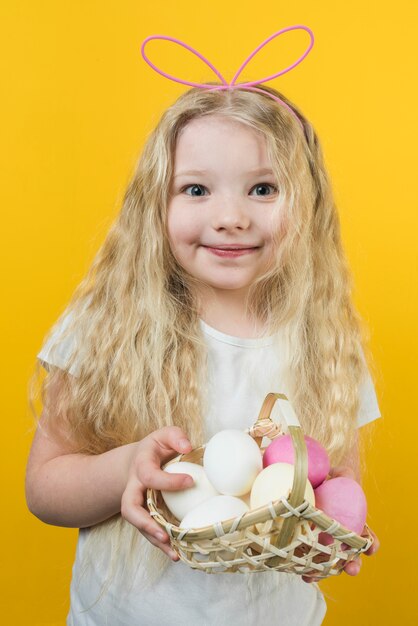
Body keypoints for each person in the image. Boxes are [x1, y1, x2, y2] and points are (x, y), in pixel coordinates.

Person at [25, 28, 381, 626]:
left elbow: (328, 479)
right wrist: (126, 466)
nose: (231, 217)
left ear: (308, 204)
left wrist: (329, 532)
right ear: (153, 206)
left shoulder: (326, 344)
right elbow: (44, 489)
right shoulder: (110, 325)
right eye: (196, 189)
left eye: (263, 189)